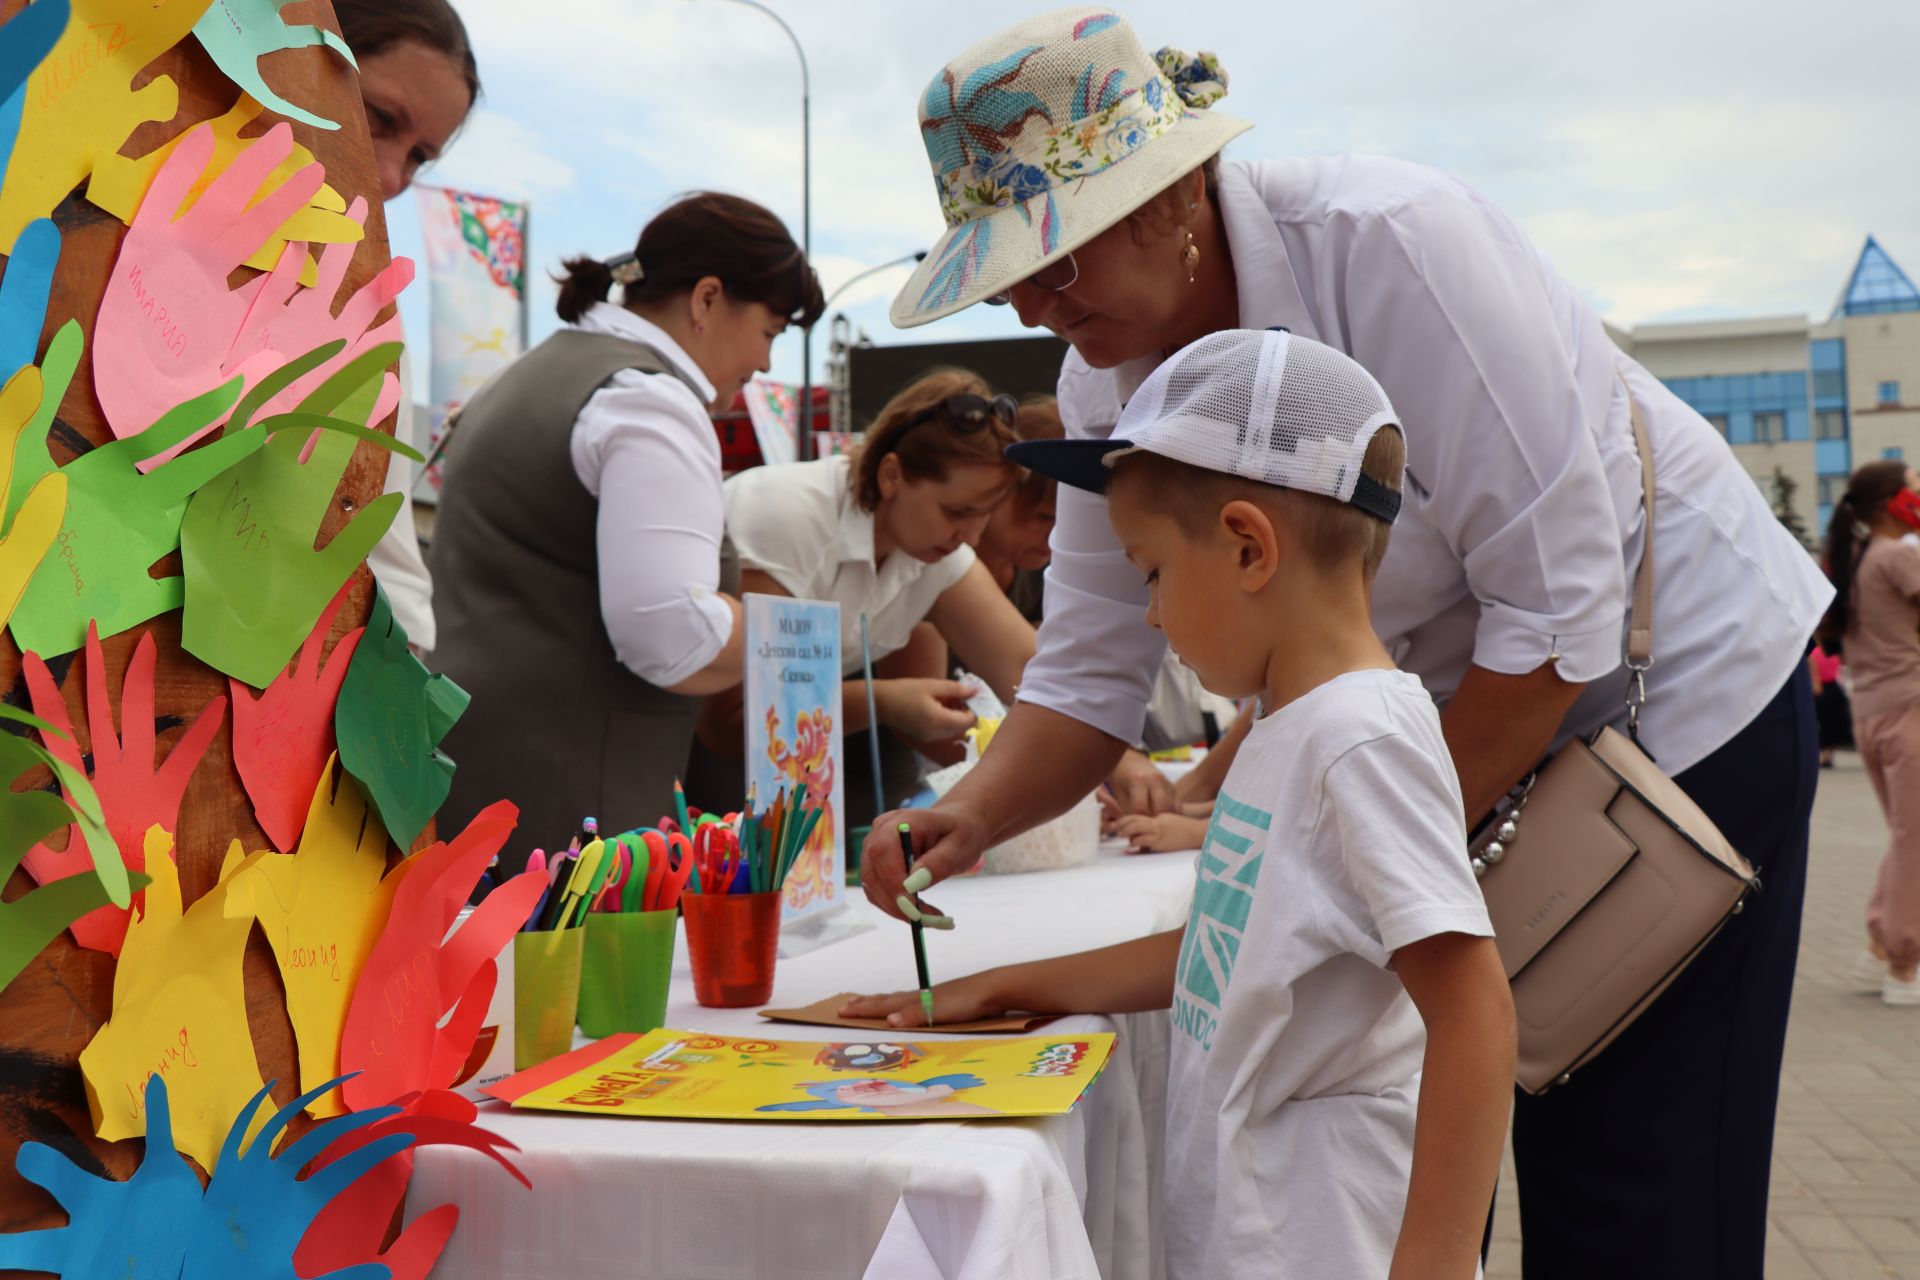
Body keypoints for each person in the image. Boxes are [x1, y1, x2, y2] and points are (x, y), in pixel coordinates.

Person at [864, 9, 1833, 1276]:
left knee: (1635, 1184)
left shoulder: (1394, 246)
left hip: (1675, 707)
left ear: (1172, 195)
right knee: (1413, 1126)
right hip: (1445, 731)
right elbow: (1093, 663)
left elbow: (1556, 620)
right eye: (1004, 274)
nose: (1033, 302)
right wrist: (974, 814)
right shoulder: (1112, 379)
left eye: (1056, 258)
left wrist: (1342, 838)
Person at [846, 329, 1515, 1279]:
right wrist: (999, 990)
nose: (1151, 613)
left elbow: (1475, 1011)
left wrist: (1437, 1263)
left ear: (1247, 547)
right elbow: (1225, 950)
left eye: (1152, 571)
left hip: (1332, 1244)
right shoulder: (1291, 724)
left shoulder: (1360, 738)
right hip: (1260, 1227)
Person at [428, 192, 822, 868]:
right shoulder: (648, 400)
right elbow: (669, 636)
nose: (764, 364)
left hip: (464, 777)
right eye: (771, 330)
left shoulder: (524, 375)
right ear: (706, 299)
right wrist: (796, 634)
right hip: (564, 822)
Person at [705, 369, 1040, 827]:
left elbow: (1031, 675)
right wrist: (884, 701)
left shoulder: (936, 545)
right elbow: (731, 721)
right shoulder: (787, 516)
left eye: (984, 515)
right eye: (957, 511)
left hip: (786, 785)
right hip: (691, 782)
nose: (971, 536)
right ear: (890, 475)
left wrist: (1116, 765)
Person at [335, 0, 483, 651]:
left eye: (421, 155)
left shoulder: (370, 318)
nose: (392, 174)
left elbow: (384, 552)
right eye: (377, 118)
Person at [1819, 461, 1920, 1005]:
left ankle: (1878, 947)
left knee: (1908, 834)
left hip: (1872, 714)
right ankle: (1905, 966)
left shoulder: (1852, 559)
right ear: (1890, 502)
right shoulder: (1897, 557)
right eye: (1911, 488)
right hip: (1909, 709)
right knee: (1915, 838)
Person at [1807, 642, 1851, 767]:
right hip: (1818, 686)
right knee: (1822, 721)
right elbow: (1811, 664)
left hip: (1833, 685)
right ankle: (1822, 753)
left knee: (1834, 721)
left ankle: (1829, 753)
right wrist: (1815, 680)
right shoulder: (1813, 650)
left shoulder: (1832, 647)